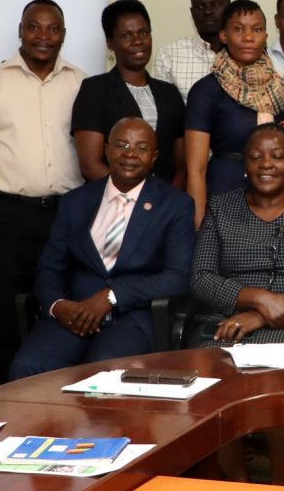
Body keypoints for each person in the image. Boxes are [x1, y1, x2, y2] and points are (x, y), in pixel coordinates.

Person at [189, 123, 284, 486]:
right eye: (256, 156)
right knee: (209, 376)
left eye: (277, 156)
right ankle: (239, 481)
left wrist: (261, 316)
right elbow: (201, 277)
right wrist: (257, 299)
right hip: (226, 319)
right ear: (244, 165)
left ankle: (281, 480)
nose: (266, 164)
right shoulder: (220, 208)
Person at [0, 0, 86, 382]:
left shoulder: (81, 83)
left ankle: (61, 403)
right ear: (20, 31)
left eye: (52, 28)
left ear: (63, 35)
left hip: (69, 215)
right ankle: (8, 405)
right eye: (34, 27)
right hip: (12, 218)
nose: (43, 36)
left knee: (70, 311)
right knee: (11, 319)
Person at [11, 118, 195, 379]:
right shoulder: (76, 201)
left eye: (141, 148)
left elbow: (178, 277)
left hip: (131, 316)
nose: (130, 154)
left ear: (154, 157)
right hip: (74, 314)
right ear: (106, 151)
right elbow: (50, 266)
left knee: (106, 373)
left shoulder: (175, 205)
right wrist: (58, 305)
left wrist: (112, 296)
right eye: (122, 145)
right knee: (28, 367)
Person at [183, 0, 284, 227]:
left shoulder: (283, 89)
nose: (248, 37)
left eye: (257, 30)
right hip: (225, 192)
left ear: (266, 36)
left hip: (276, 200)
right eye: (238, 29)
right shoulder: (206, 90)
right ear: (224, 36)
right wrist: (199, 229)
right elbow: (196, 170)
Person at [72, 0, 187, 187]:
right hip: (111, 201)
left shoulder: (169, 93)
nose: (138, 41)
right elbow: (90, 165)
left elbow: (182, 164)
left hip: (164, 202)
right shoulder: (95, 90)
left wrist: (167, 200)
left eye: (144, 32)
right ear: (110, 43)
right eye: (127, 35)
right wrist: (136, 198)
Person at [155, 0, 230, 103]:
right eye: (200, 6)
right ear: (192, 13)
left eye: (215, 5)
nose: (207, 11)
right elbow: (162, 109)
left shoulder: (247, 52)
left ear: (229, 8)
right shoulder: (168, 56)